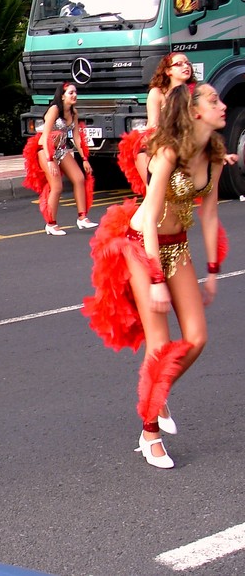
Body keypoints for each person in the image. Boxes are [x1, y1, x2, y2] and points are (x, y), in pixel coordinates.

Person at [83, 83, 226, 469]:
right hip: (140, 246)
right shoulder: (168, 152)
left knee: (197, 338)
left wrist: (213, 271)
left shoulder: (212, 155)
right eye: (214, 101)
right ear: (195, 112)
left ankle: (156, 390)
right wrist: (157, 278)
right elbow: (148, 218)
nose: (223, 105)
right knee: (160, 346)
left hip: (178, 244)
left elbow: (210, 215)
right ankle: (149, 434)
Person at [22, 82, 97, 235]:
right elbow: (44, 137)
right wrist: (49, 160)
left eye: (75, 92)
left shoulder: (73, 113)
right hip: (45, 150)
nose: (74, 95)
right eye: (71, 93)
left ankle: (82, 218)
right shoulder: (54, 110)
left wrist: (84, 158)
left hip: (61, 150)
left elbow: (76, 137)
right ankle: (51, 223)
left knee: (79, 178)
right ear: (62, 96)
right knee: (56, 187)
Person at [117, 53, 195, 195]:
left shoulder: (194, 94)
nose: (186, 66)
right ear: (168, 71)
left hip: (186, 147)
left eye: (188, 63)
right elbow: (153, 126)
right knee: (156, 195)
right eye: (179, 64)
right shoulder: (157, 93)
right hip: (158, 145)